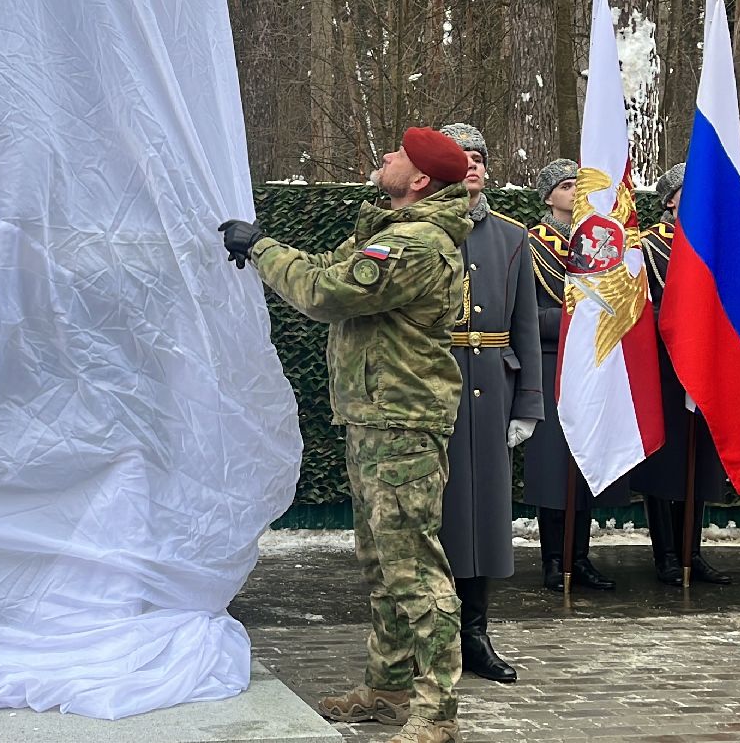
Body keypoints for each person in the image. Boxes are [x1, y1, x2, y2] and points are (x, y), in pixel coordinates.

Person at [218, 126, 473, 743]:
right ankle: (387, 688)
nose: (385, 156)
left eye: (398, 156)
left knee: (413, 566)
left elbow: (325, 292)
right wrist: (271, 251)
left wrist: (261, 248)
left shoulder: (416, 245)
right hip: (373, 416)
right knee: (382, 563)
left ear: (418, 181)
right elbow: (330, 267)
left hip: (401, 423)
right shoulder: (386, 233)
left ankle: (437, 713)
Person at [431, 123, 541, 684]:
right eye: (461, 157)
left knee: (488, 515)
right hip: (433, 384)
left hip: (491, 387)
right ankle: (436, 633)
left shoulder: (511, 235)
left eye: (479, 156)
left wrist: (528, 402)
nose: (472, 164)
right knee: (442, 511)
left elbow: (524, 325)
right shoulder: (421, 230)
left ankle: (476, 631)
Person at [519, 158, 622, 593]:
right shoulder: (528, 244)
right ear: (548, 197)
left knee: (583, 464)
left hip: (591, 363)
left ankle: (580, 557)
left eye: (577, 186)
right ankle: (553, 559)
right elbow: (523, 313)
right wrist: (574, 322)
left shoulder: (598, 242)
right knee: (552, 466)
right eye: (565, 186)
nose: (573, 193)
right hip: (549, 360)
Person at [632, 163, 732, 585]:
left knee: (699, 464)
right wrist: (679, 320)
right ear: (671, 200)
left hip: (707, 365)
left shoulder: (718, 243)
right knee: (666, 463)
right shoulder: (647, 246)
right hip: (664, 368)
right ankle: (667, 555)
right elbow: (636, 308)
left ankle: (693, 550)